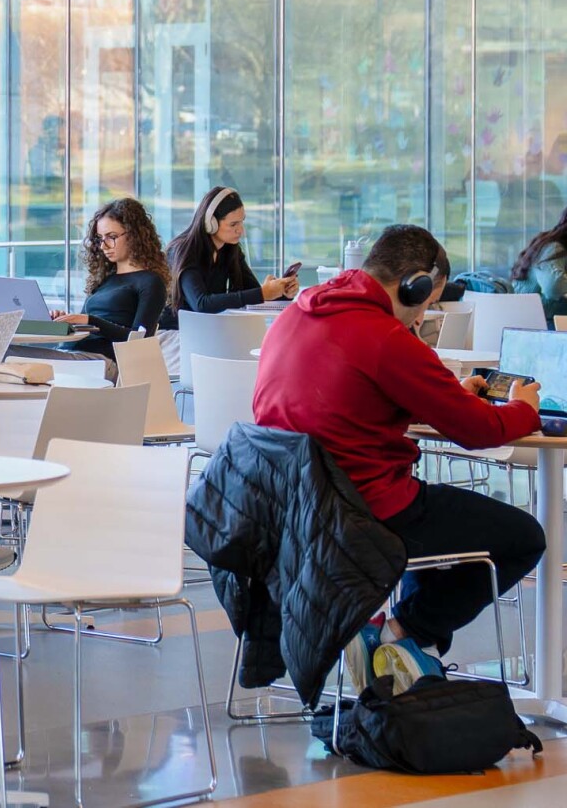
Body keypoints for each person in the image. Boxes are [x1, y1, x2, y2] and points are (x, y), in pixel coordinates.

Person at [253, 224, 544, 693]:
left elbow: (352, 393)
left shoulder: (299, 312)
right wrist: (523, 410)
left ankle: (381, 634)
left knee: (443, 516)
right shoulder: (387, 336)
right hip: (365, 509)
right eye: (429, 301)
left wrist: (450, 393)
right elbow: (479, 431)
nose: (424, 313)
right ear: (417, 284)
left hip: (292, 509)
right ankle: (404, 636)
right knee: (522, 537)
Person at [51, 197, 169, 362]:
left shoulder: (150, 282)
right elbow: (84, 324)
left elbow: (139, 340)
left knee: (11, 358)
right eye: (100, 238)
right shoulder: (104, 280)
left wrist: (91, 321)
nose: (103, 246)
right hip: (72, 354)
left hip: (101, 360)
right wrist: (65, 320)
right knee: (10, 353)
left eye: (111, 237)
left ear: (135, 235)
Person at [165, 186, 298, 327]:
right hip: (175, 332)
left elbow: (252, 292)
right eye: (233, 224)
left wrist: (280, 292)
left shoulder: (230, 249)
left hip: (207, 330)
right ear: (211, 223)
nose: (241, 230)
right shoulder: (184, 250)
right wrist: (263, 292)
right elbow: (201, 304)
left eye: (242, 222)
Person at [510, 205, 567, 323]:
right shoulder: (554, 247)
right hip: (537, 325)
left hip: (535, 322)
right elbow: (554, 287)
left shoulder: (549, 242)